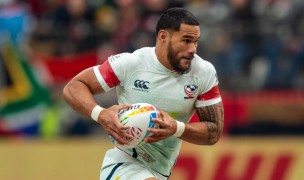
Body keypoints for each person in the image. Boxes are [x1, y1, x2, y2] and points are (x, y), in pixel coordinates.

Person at [63, 7, 224, 180]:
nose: (193, 49)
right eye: (186, 40)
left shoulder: (203, 72)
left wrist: (176, 128)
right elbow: (73, 87)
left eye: (196, 41)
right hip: (124, 164)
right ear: (163, 37)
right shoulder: (131, 64)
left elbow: (213, 131)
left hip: (160, 171)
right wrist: (100, 114)